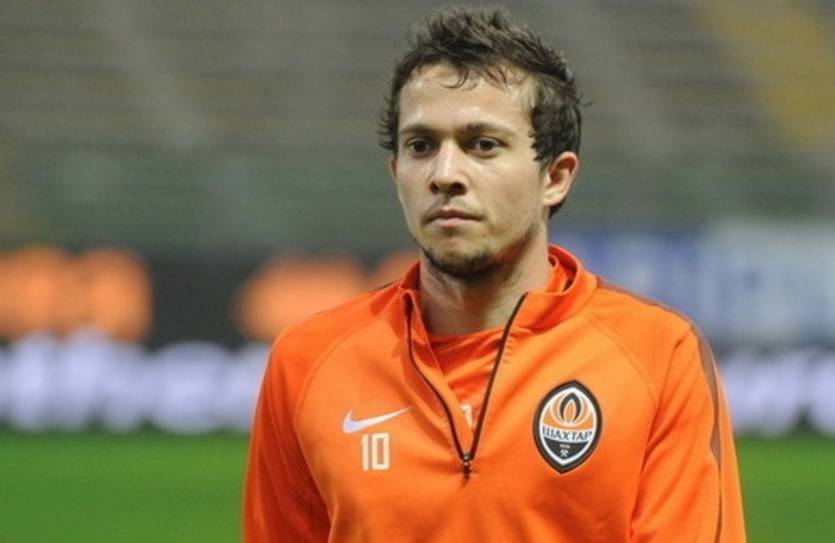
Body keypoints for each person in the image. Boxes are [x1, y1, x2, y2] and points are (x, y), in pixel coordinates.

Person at [243, 6, 745, 542]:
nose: (445, 174)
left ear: (555, 177)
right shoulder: (307, 361)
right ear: (396, 174)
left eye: (483, 144)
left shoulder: (658, 354)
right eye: (420, 146)